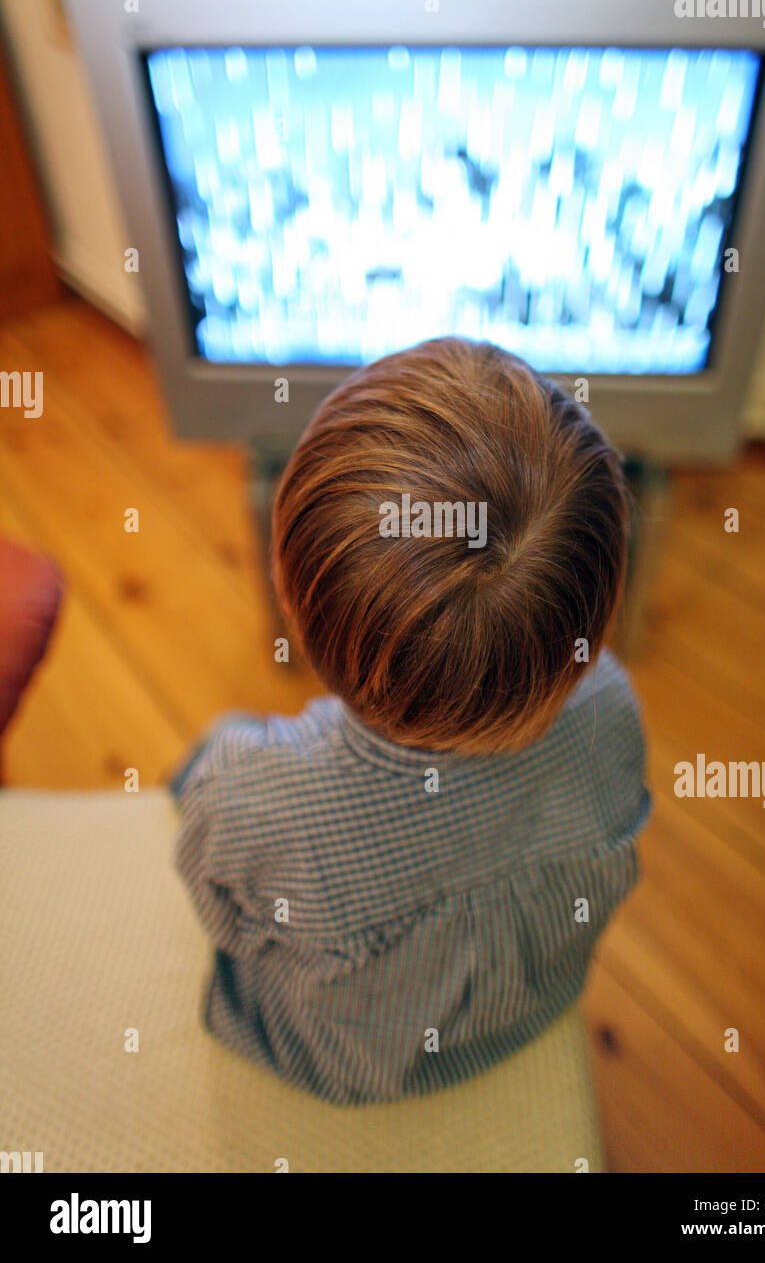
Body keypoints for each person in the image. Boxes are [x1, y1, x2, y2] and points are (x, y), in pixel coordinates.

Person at [171, 336, 652, 1105]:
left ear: (292, 603)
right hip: (529, 1008)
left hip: (338, 1061)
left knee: (213, 754)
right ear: (598, 616)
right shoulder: (616, 709)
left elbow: (220, 913)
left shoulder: (256, 798)